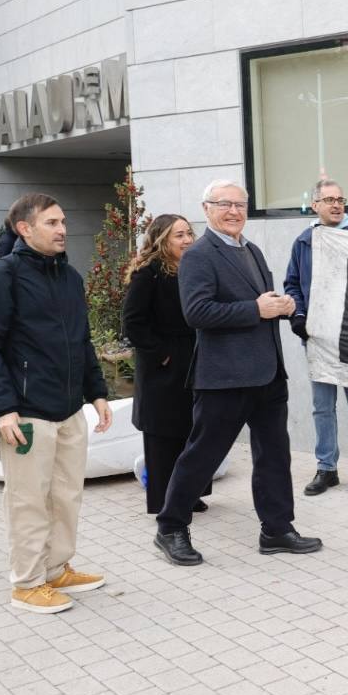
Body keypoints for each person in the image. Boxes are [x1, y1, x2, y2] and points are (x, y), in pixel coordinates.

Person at [152, 180, 322, 565]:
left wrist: (280, 306)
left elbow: (259, 304)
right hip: (224, 378)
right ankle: (171, 527)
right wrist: (255, 310)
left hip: (267, 375)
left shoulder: (253, 250)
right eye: (224, 204)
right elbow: (197, 313)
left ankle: (276, 530)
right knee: (202, 456)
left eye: (240, 204)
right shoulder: (199, 255)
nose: (234, 211)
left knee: (274, 457)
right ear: (206, 208)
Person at [0, 193, 111, 614]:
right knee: (28, 499)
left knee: (66, 495)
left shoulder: (69, 277)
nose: (62, 228)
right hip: (26, 413)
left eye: (63, 221)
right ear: (24, 229)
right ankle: (27, 583)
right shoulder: (3, 276)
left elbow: (82, 342)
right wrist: (5, 407)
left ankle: (56, 568)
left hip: (68, 410)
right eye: (51, 222)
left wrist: (97, 392)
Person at [285, 178, 348, 498]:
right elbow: (293, 285)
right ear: (315, 206)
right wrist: (298, 315)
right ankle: (326, 469)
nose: (337, 204)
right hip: (318, 339)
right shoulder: (304, 241)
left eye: (340, 199)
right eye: (329, 200)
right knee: (322, 406)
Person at [122, 214, 211, 516]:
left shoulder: (193, 268)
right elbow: (133, 323)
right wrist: (162, 354)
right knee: (163, 436)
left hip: (195, 360)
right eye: (179, 235)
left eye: (189, 234)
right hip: (164, 367)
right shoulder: (149, 273)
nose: (187, 240)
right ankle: (163, 502)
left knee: (191, 430)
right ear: (162, 240)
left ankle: (189, 495)